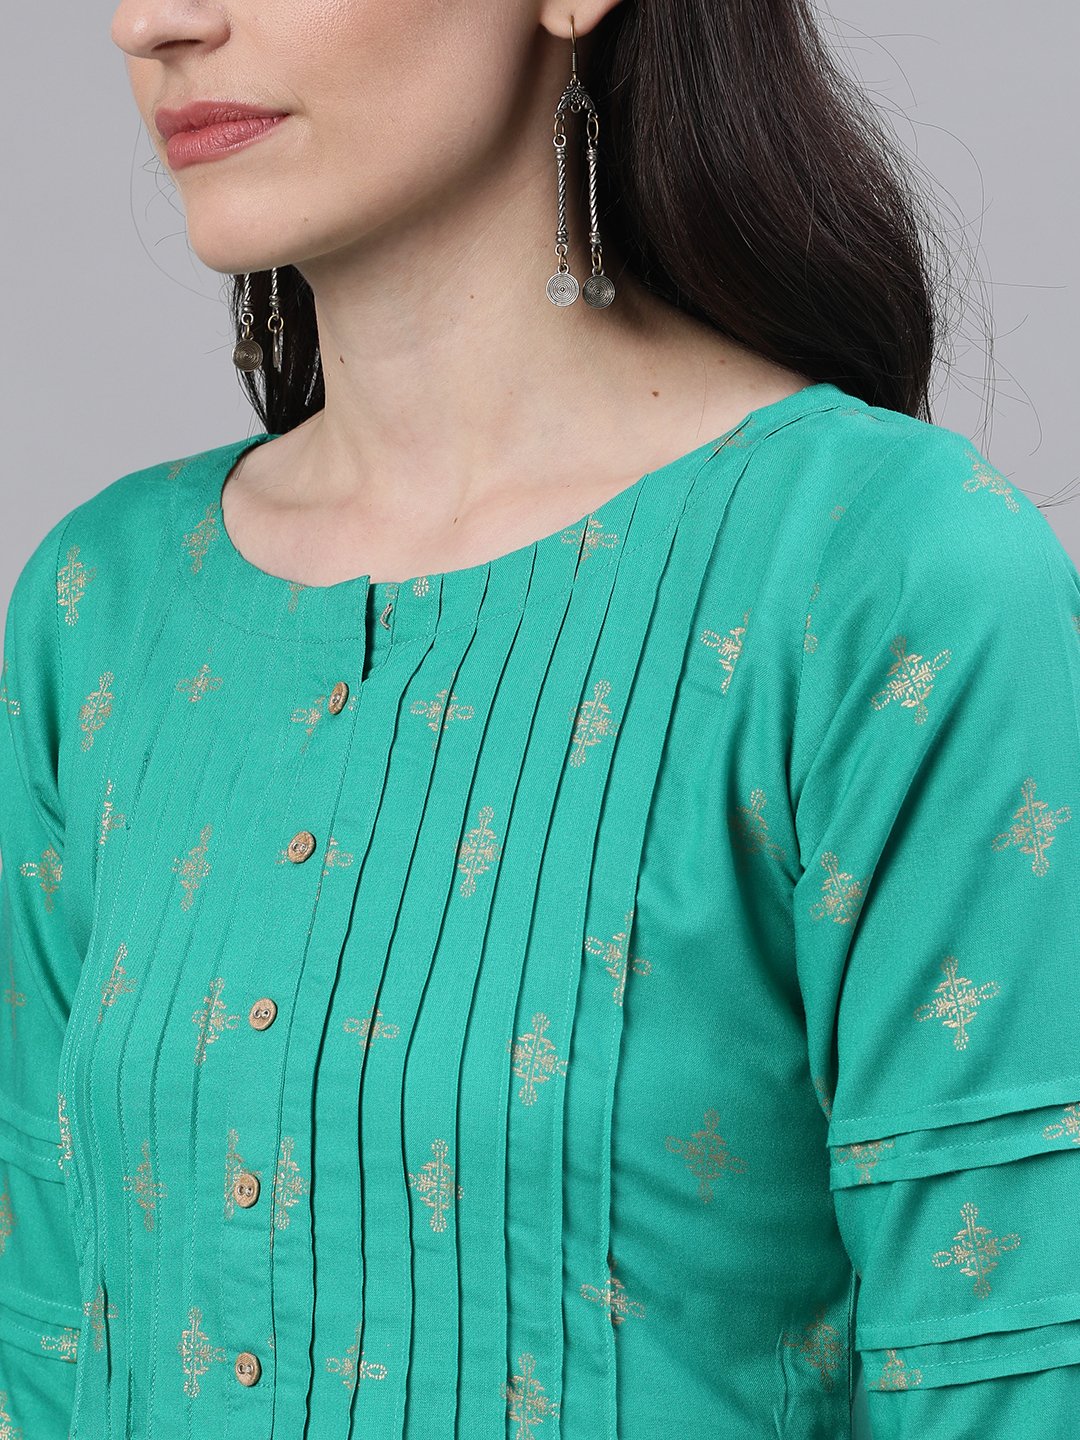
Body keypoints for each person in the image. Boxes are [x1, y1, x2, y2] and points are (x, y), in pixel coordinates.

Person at [1, 2, 1077, 1437]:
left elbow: (1007, 1381)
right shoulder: (103, 606)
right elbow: (44, 1348)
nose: (155, 22)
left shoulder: (882, 578)